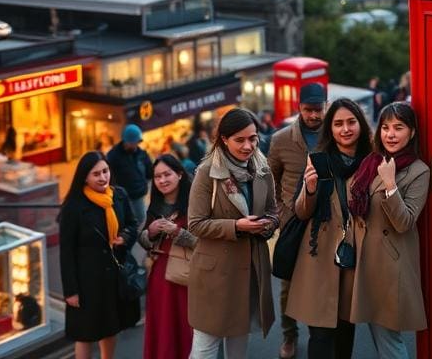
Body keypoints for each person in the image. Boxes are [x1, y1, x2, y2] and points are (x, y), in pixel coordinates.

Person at [187, 108, 279, 359]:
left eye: (253, 138)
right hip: (214, 272)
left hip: (249, 270)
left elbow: (273, 210)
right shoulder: (207, 172)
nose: (248, 146)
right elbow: (195, 224)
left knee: (238, 345)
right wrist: (237, 227)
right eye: (240, 140)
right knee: (205, 348)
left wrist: (268, 223)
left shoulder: (262, 169)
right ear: (224, 139)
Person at [286, 98, 373, 359]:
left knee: (346, 331)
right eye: (338, 124)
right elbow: (301, 212)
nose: (345, 129)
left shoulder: (372, 161)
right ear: (330, 129)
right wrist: (309, 189)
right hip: (319, 257)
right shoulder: (318, 159)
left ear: (360, 124)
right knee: (321, 336)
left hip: (353, 257)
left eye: (350, 122)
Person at [349, 102, 429, 359]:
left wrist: (391, 184)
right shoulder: (372, 161)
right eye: (385, 127)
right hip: (363, 258)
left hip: (389, 264)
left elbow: (405, 222)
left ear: (412, 133)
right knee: (379, 334)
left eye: (398, 128)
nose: (390, 134)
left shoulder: (419, 171)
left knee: (389, 339)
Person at [58, 151, 140, 359]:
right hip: (86, 280)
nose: (103, 177)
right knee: (84, 334)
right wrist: (71, 291)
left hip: (112, 277)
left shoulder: (119, 195)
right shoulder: (73, 207)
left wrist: (125, 237)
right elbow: (66, 251)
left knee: (110, 327)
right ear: (84, 176)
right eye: (96, 174)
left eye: (105, 171)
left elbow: (132, 224)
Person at [268, 82, 327, 359]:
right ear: (299, 108)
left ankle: (321, 334)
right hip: (293, 223)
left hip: (327, 221)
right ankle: (289, 335)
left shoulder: (335, 133)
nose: (314, 115)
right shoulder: (280, 140)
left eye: (319, 109)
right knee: (288, 286)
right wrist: (282, 214)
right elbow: (270, 181)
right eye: (308, 110)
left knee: (323, 283)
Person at [139, 154, 195, 359]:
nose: (162, 180)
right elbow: (144, 242)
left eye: (167, 174)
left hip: (185, 275)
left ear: (179, 174)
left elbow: (203, 244)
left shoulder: (194, 203)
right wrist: (150, 232)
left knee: (184, 326)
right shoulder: (155, 205)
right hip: (158, 275)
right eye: (157, 177)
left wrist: (177, 232)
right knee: (162, 327)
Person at [106, 124, 154, 236]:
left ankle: (136, 237)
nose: (135, 145)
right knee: (123, 222)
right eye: (133, 142)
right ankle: (127, 241)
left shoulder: (142, 154)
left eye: (137, 142)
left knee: (141, 219)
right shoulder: (113, 156)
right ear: (125, 141)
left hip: (138, 196)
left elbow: (150, 171)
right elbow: (108, 176)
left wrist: (145, 183)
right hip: (122, 197)